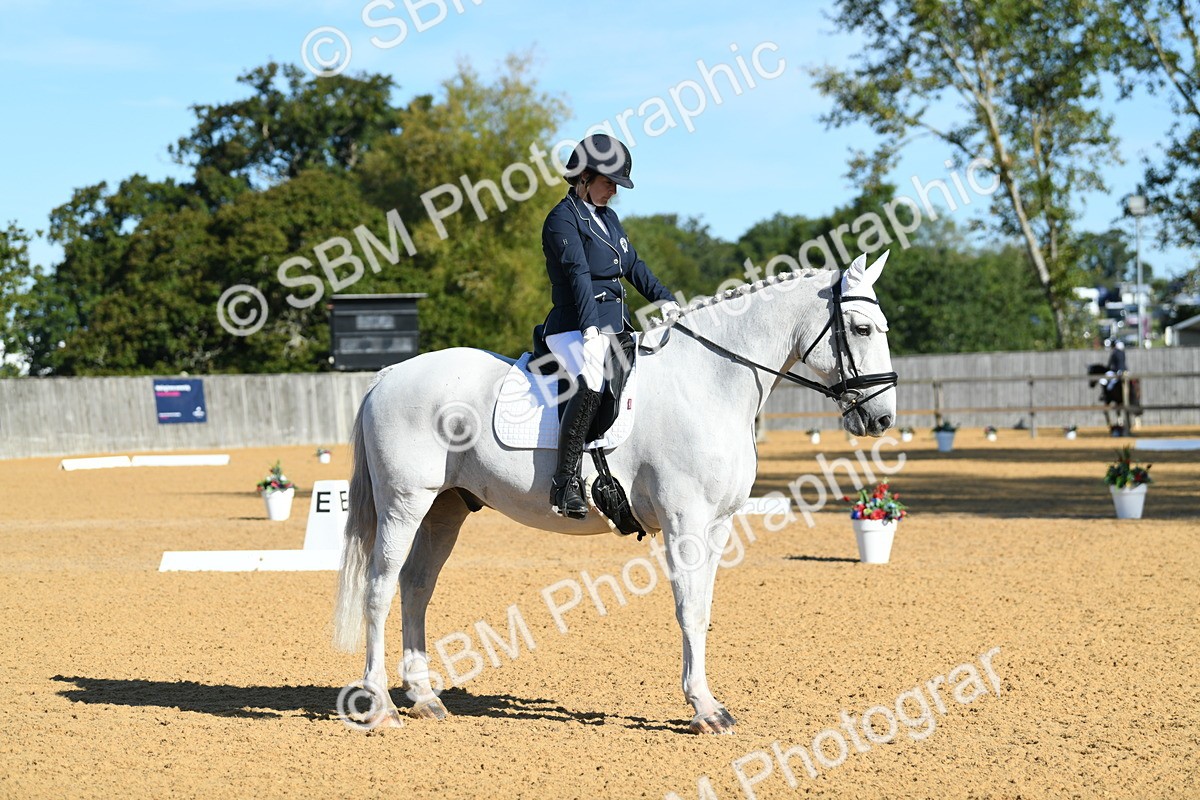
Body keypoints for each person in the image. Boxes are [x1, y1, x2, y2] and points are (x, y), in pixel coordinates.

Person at [540, 134, 679, 519]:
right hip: (573, 326)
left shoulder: (608, 218)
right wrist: (589, 331)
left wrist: (666, 300)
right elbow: (578, 274)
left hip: (614, 326)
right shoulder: (561, 220)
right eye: (609, 182)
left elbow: (633, 266)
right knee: (594, 379)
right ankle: (564, 482)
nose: (614, 191)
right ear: (584, 176)